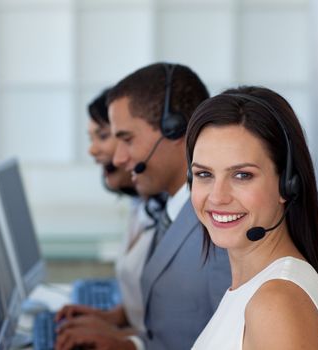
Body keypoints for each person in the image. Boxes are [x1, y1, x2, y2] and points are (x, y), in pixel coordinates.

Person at [56, 62, 232, 350]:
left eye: (126, 139)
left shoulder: (219, 230)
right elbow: (174, 332)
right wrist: (131, 343)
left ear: (174, 130)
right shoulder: (173, 212)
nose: (119, 158)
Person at [186, 86, 318, 349]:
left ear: (287, 185)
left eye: (242, 175)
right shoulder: (257, 290)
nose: (217, 196)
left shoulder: (276, 303)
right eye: (204, 174)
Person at [54, 89, 161, 337]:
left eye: (102, 136)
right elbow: (147, 302)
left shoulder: (171, 214)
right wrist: (111, 318)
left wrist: (120, 340)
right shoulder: (141, 206)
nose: (92, 150)